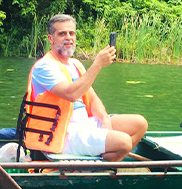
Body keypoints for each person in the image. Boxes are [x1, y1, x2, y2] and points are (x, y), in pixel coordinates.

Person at [22, 14, 148, 162]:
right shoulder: (44, 66)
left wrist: (105, 121)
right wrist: (98, 64)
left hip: (85, 124)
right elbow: (71, 94)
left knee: (140, 123)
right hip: (61, 133)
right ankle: (94, 169)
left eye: (72, 33)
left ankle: (100, 157)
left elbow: (93, 99)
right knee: (124, 142)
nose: (68, 37)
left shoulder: (76, 64)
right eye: (62, 34)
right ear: (51, 39)